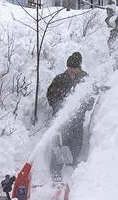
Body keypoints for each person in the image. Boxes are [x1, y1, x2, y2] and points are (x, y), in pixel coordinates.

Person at [46, 52, 93, 181]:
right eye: (70, 68)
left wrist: (84, 107)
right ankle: (55, 171)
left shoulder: (85, 79)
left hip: (77, 121)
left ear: (79, 67)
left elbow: (90, 98)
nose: (72, 70)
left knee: (76, 145)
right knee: (58, 145)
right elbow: (50, 96)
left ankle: (72, 170)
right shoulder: (59, 79)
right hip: (61, 121)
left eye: (75, 68)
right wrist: (60, 107)